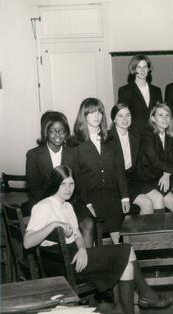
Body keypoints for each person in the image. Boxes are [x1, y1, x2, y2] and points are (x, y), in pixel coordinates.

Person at [23, 165, 170, 314]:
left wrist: (82, 249)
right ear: (55, 184)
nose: (68, 189)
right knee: (126, 250)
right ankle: (145, 295)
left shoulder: (67, 206)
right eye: (63, 184)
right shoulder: (43, 206)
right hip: (59, 264)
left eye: (71, 184)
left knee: (126, 264)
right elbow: (27, 243)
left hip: (74, 256)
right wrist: (54, 224)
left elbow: (77, 235)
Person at [26, 111, 95, 246]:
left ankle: (87, 259)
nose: (58, 134)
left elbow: (79, 183)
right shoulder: (34, 155)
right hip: (44, 203)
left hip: (71, 202)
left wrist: (88, 204)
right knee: (57, 230)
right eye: (53, 131)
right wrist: (55, 208)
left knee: (88, 224)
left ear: (66, 133)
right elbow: (34, 189)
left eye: (62, 131)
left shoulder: (73, 153)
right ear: (46, 133)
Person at [70, 98, 130, 244]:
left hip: (112, 194)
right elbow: (76, 177)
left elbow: (119, 169)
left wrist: (124, 197)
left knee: (120, 229)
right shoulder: (75, 143)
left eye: (99, 112)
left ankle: (121, 253)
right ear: (83, 116)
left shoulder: (110, 138)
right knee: (95, 228)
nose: (96, 116)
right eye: (91, 112)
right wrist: (87, 203)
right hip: (88, 197)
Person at [109, 103, 164, 214]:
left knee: (158, 198)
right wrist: (124, 197)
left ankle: (158, 231)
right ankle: (144, 231)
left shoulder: (135, 137)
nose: (125, 119)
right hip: (115, 183)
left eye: (128, 115)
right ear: (114, 119)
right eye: (120, 116)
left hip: (133, 179)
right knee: (146, 203)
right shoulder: (109, 138)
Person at [136, 103, 173, 213]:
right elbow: (155, 161)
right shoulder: (147, 135)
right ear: (153, 118)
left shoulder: (169, 136)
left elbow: (171, 160)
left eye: (167, 115)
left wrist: (167, 174)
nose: (165, 119)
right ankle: (168, 227)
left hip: (162, 175)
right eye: (160, 115)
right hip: (147, 179)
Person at [118, 55, 163, 137]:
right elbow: (122, 117)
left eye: (145, 67)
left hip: (154, 135)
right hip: (134, 136)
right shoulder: (125, 90)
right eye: (139, 67)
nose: (142, 70)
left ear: (148, 69)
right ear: (134, 69)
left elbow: (161, 114)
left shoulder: (156, 90)